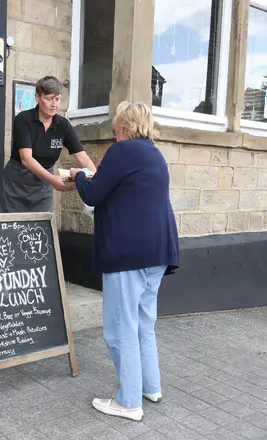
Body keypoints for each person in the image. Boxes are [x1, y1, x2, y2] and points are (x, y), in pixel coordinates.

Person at [69, 101, 180, 421]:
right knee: (144, 323)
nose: (115, 133)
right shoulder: (155, 156)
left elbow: (93, 193)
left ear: (124, 128)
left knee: (120, 329)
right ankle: (150, 386)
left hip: (128, 253)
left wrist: (78, 176)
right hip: (159, 252)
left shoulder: (123, 152)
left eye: (117, 127)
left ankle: (129, 401)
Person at [0, 76, 96, 213]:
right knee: (7, 227)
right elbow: (26, 159)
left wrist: (95, 179)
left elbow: (83, 158)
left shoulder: (63, 125)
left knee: (41, 228)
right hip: (16, 185)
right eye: (49, 99)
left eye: (57, 99)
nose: (54, 104)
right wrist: (53, 180)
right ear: (37, 97)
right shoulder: (24, 120)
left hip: (43, 187)